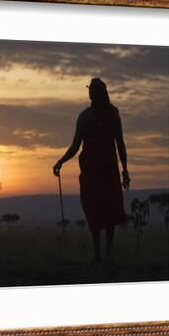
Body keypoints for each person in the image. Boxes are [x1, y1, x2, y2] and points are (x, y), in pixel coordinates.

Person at [53, 78, 130, 263]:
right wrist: (61, 161)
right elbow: (77, 146)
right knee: (99, 210)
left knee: (101, 210)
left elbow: (118, 144)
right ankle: (103, 254)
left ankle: (102, 254)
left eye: (92, 90)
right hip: (96, 170)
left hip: (99, 171)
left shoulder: (99, 116)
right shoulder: (107, 115)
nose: (90, 93)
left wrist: (125, 170)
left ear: (95, 94)